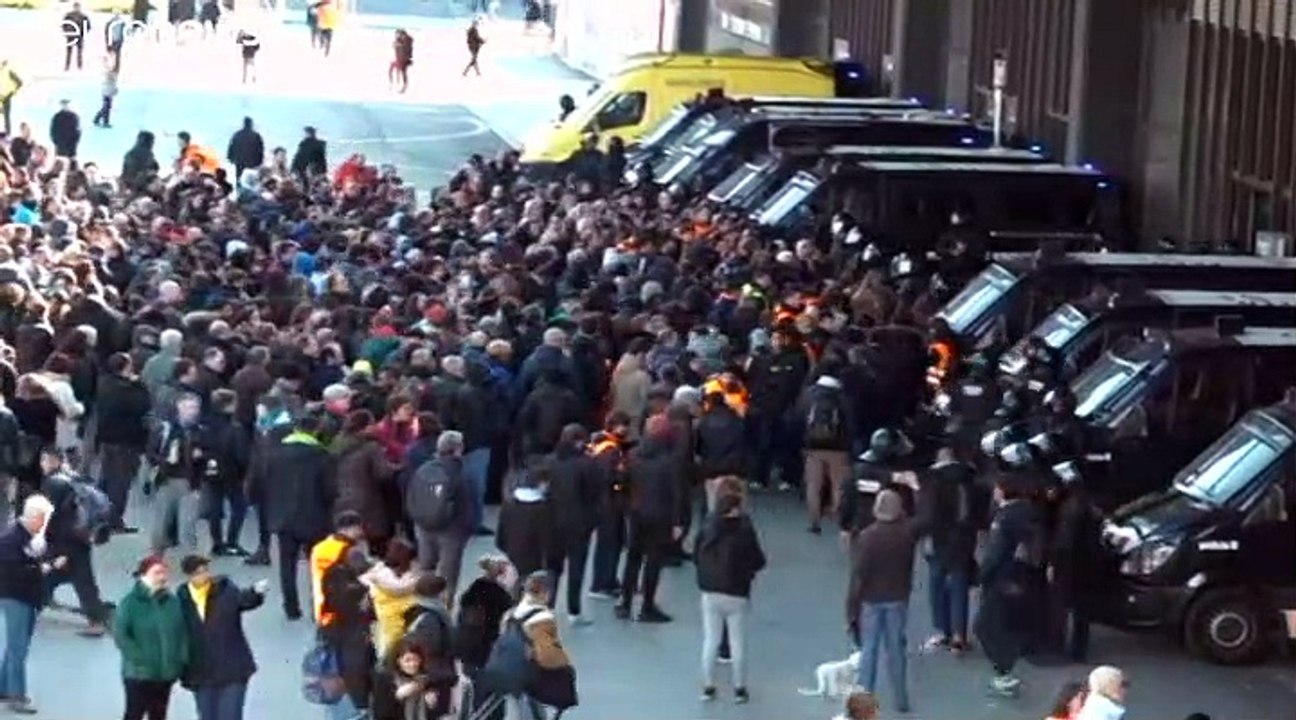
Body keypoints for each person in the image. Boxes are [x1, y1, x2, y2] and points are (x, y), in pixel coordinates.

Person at [845, 489, 924, 714]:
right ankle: (901, 699)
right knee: (896, 649)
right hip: (897, 598)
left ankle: (864, 701)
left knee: (869, 650)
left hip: (870, 599)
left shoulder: (868, 536)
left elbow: (858, 575)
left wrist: (851, 610)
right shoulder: (906, 534)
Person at [975, 473, 1046, 697]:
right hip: (1020, 578)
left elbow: (995, 552)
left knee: (986, 626)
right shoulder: (1029, 512)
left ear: (1003, 490)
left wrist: (982, 575)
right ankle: (1007, 666)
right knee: (1006, 623)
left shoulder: (1004, 518)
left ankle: (1004, 672)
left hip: (1000, 579)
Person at [176, 555, 268, 720]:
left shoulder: (225, 590)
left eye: (205, 571)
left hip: (232, 669)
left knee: (230, 716)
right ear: (189, 576)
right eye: (198, 573)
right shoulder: (182, 600)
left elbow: (243, 600)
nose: (204, 576)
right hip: (201, 672)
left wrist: (256, 593)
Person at [695, 489, 765, 704]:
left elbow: (696, 554)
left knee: (711, 640)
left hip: (710, 590)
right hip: (737, 592)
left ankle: (708, 686)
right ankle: (739, 689)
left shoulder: (707, 526)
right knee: (737, 642)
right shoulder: (744, 530)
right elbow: (758, 560)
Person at [264, 414, 336, 620]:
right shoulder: (322, 456)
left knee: (287, 564)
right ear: (316, 431)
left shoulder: (275, 454)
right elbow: (330, 490)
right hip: (314, 517)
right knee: (318, 564)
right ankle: (318, 605)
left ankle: (291, 607)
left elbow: (262, 482)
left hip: (283, 517)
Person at [615, 414, 685, 623]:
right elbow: (676, 492)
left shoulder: (633, 455)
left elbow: (622, 482)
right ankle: (647, 605)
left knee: (632, 559)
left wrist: (627, 505)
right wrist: (678, 521)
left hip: (636, 514)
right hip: (660, 515)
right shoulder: (670, 461)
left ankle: (625, 603)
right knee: (653, 561)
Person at [919, 445, 983, 654]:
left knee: (937, 586)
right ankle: (959, 635)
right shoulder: (971, 479)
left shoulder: (933, 480)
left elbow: (928, 513)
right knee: (959, 587)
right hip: (964, 539)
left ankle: (943, 630)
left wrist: (926, 536)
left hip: (940, 538)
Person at [39, 448, 109, 637]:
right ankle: (40, 598)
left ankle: (97, 621)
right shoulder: (75, 478)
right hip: (80, 535)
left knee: (78, 578)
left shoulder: (53, 483)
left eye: (45, 460)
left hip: (64, 538)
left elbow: (47, 513)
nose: (42, 464)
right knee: (66, 574)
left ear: (53, 461)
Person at [0, 495, 60, 714]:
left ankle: (4, 687)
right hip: (14, 597)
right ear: (33, 516)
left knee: (16, 645)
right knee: (18, 648)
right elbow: (10, 571)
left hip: (27, 597)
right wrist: (40, 569)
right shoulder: (9, 541)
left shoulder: (31, 537)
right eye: (42, 518)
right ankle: (17, 695)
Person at [113, 555, 189, 720]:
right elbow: (121, 635)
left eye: (164, 573)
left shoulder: (172, 602)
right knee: (134, 713)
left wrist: (181, 660)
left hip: (165, 673)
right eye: (157, 573)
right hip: (139, 674)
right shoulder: (130, 603)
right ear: (143, 575)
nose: (162, 577)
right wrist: (139, 659)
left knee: (159, 714)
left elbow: (182, 632)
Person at [407, 430, 473, 602]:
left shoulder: (424, 469)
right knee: (447, 576)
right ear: (458, 449)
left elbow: (411, 495)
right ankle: (443, 609)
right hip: (451, 530)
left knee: (426, 568)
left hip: (423, 526)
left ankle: (422, 604)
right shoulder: (459, 472)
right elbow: (466, 504)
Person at [545, 424, 601, 623]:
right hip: (579, 523)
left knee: (552, 566)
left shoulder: (549, 462)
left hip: (552, 522)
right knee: (577, 567)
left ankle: (547, 605)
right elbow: (595, 493)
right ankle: (574, 610)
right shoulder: (587, 464)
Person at [146, 393, 208, 556]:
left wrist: (202, 458)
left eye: (195, 408)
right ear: (179, 407)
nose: (193, 411)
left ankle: (191, 563)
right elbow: (151, 454)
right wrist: (166, 460)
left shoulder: (201, 431)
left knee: (187, 527)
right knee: (161, 526)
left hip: (190, 483)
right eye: (189, 407)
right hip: (168, 481)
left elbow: (209, 456)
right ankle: (155, 560)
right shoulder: (166, 429)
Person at [800, 369, 854, 533]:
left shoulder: (809, 394)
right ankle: (840, 521)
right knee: (838, 484)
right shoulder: (843, 396)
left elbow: (799, 416)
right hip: (838, 447)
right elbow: (851, 422)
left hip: (813, 445)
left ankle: (814, 522)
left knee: (813, 485)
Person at [362, 538, 421, 657]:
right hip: (404, 625)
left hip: (386, 626)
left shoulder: (375, 574)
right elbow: (401, 589)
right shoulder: (409, 583)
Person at [63, 3, 91, 71]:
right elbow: (64, 24)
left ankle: (78, 66)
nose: (77, 8)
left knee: (78, 52)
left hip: (77, 36)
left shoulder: (83, 16)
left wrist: (83, 33)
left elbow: (88, 26)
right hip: (72, 36)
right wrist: (66, 32)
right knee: (70, 52)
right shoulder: (69, 15)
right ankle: (68, 66)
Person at [92, 57, 119, 129]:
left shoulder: (110, 74)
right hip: (107, 92)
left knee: (106, 107)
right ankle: (103, 121)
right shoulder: (109, 74)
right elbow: (111, 82)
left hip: (107, 92)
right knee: (107, 107)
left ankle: (98, 119)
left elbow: (113, 83)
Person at [0, 59, 23, 136]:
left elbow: (19, 82)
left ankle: (7, 135)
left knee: (6, 118)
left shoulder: (8, 71)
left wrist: (11, 93)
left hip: (6, 97)